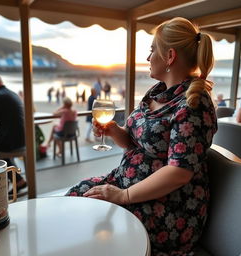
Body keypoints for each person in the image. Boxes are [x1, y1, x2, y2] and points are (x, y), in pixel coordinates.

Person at [66, 17, 217, 255]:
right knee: (74, 197)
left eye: (151, 51)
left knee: (94, 224)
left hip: (169, 205)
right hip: (126, 183)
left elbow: (180, 172)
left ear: (170, 56)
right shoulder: (155, 94)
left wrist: (123, 196)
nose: (147, 58)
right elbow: (134, 143)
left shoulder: (193, 103)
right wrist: (114, 130)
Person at [0, 72, 27, 193]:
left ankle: (0, 188)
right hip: (23, 139)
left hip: (12, 142)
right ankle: (18, 180)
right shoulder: (11, 94)